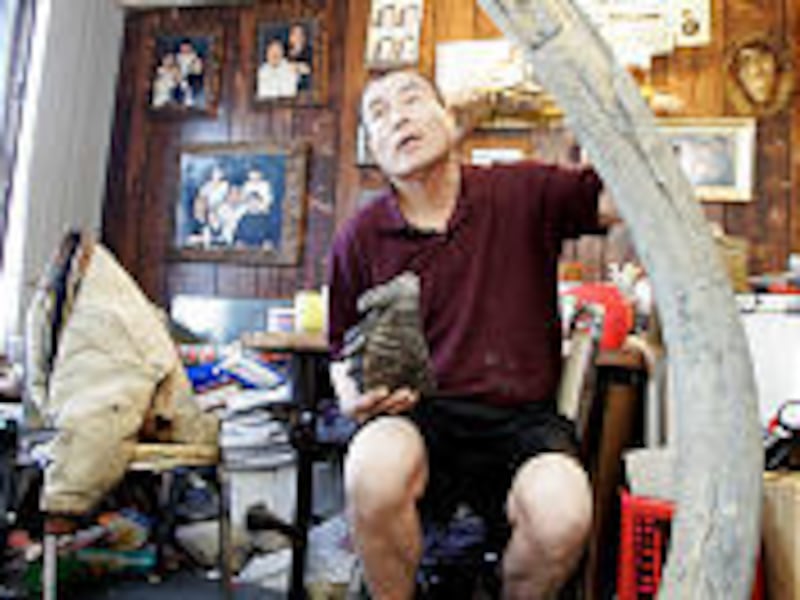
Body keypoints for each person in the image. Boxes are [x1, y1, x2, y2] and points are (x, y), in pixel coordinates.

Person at [327, 69, 608, 599]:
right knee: (371, 469)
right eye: (380, 114)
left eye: (412, 99)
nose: (399, 117)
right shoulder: (359, 236)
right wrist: (353, 397)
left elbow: (616, 202)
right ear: (374, 149)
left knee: (563, 515)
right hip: (416, 416)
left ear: (450, 121)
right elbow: (341, 346)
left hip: (521, 421)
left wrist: (602, 110)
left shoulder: (523, 191)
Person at [175, 40, 204, 107]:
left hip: (191, 79)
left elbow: (198, 70)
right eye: (183, 47)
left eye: (187, 47)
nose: (184, 49)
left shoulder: (195, 57)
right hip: (178, 78)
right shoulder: (177, 57)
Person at [287, 23, 312, 92]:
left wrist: (298, 67)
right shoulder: (284, 52)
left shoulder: (311, 52)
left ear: (304, 38)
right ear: (290, 37)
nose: (298, 38)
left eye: (300, 35)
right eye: (295, 35)